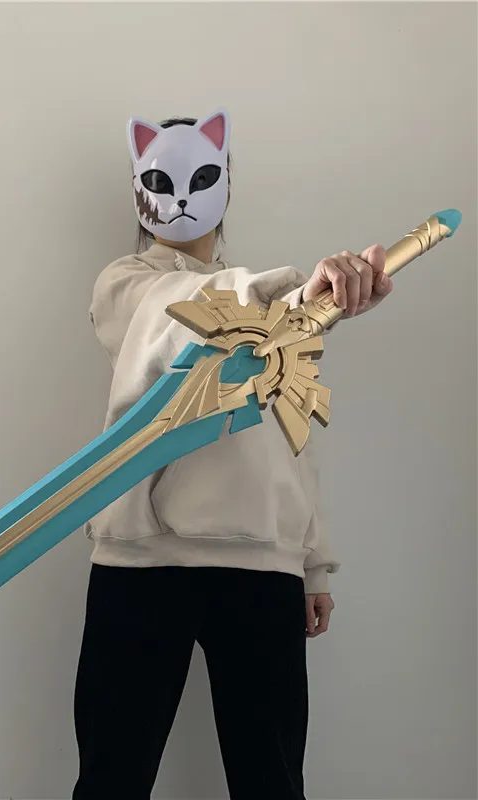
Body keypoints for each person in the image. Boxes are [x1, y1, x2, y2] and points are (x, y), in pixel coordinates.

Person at [71, 111, 393, 800]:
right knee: (111, 779)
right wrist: (289, 292)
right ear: (139, 186)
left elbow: (292, 429)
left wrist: (312, 562)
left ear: (226, 180)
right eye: (161, 179)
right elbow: (182, 308)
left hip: (260, 561)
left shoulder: (266, 299)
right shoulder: (127, 286)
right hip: (141, 559)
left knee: (272, 783)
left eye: (200, 176)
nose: (182, 197)